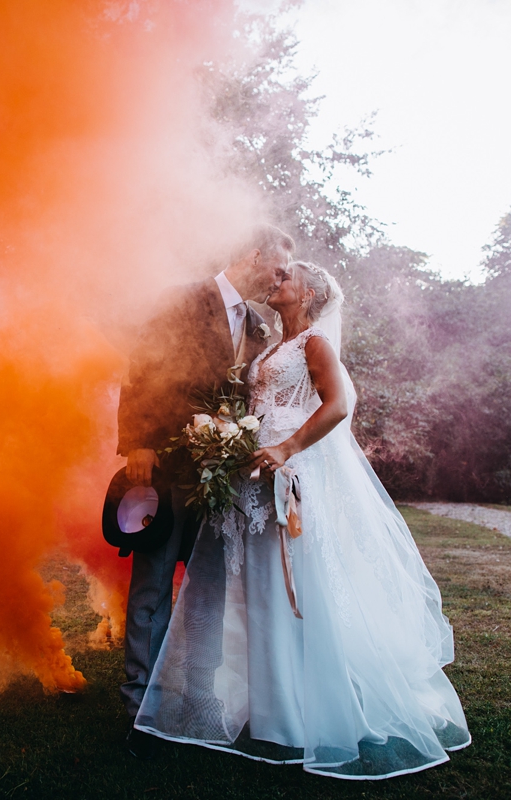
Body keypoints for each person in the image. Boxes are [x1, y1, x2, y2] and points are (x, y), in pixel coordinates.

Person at [133, 262, 471, 779]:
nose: (276, 281)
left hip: (293, 473)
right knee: (260, 591)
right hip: (253, 477)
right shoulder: (266, 346)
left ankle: (304, 715)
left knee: (294, 586)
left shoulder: (315, 343)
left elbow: (341, 403)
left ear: (308, 293)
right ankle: (272, 714)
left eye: (287, 277)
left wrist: (287, 447)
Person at [116, 224, 294, 757]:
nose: (280, 280)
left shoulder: (262, 329)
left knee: (209, 588)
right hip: (168, 465)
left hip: (225, 482)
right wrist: (138, 443)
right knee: (152, 582)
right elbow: (142, 364)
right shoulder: (183, 299)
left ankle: (198, 696)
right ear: (255, 254)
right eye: (279, 268)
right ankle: (140, 698)